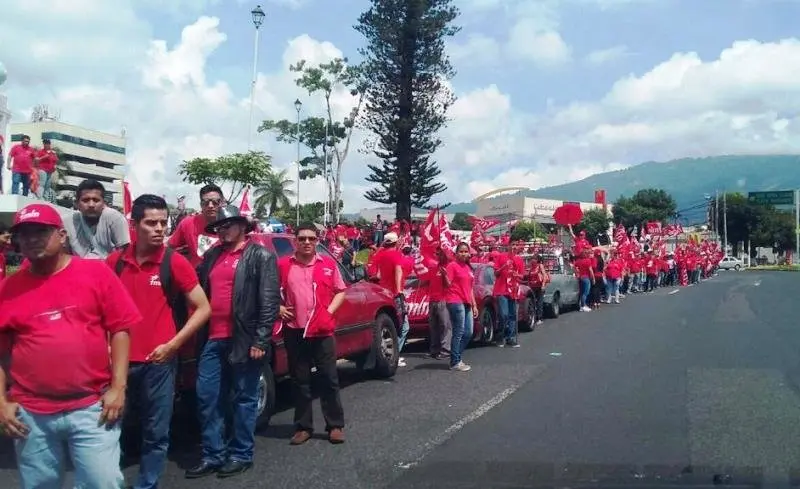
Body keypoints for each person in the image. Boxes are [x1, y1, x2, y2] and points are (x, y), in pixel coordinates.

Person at [0, 203, 141, 488]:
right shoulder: (8, 288)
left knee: (104, 483)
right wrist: (1, 401)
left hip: (91, 407)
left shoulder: (95, 273)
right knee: (40, 485)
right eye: (23, 234)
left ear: (62, 235)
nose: (30, 239)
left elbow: (120, 329)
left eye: (40, 231)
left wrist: (118, 388)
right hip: (31, 412)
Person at [107, 195, 211, 489]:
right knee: (108, 429)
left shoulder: (174, 262)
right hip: (118, 363)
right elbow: (99, 309)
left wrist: (173, 345)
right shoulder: (114, 262)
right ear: (133, 224)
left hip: (159, 362)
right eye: (151, 223)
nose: (159, 229)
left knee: (156, 431)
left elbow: (203, 308)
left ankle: (146, 485)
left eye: (163, 223)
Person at [186, 205, 280, 479]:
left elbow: (269, 301)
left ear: (241, 226)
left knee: (244, 398)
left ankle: (241, 454)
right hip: (213, 338)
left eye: (227, 225)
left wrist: (261, 340)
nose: (222, 230)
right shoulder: (213, 256)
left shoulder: (260, 256)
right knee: (207, 397)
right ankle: (213, 453)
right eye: (219, 227)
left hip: (244, 339)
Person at [278, 223, 347, 445]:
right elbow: (271, 291)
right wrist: (278, 308)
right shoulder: (283, 265)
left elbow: (341, 291)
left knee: (329, 378)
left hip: (322, 330)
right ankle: (303, 426)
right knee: (300, 380)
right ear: (295, 241)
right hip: (295, 330)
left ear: (317, 241)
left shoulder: (327, 264)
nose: (307, 242)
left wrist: (328, 312)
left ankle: (334, 425)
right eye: (302, 238)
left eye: (311, 238)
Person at [65, 179, 131, 259]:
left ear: (104, 203)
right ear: (76, 204)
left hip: (108, 269)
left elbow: (125, 254)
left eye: (96, 200)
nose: (91, 205)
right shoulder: (68, 222)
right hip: (79, 268)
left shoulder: (114, 218)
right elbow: (65, 256)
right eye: (85, 200)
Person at [374, 232, 410, 367]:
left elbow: (376, 274)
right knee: (404, 326)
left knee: (390, 325)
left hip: (382, 293)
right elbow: (398, 272)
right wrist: (399, 290)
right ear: (396, 243)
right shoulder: (396, 255)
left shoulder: (379, 255)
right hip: (394, 294)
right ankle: (395, 354)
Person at [168, 184, 225, 267]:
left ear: (222, 203)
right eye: (206, 202)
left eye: (215, 202)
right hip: (195, 277)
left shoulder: (233, 224)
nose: (210, 206)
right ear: (201, 204)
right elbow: (169, 246)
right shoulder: (187, 223)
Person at [444, 242, 478, 372]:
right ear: (456, 253)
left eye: (466, 251)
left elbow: (470, 289)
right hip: (455, 300)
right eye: (461, 251)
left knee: (468, 332)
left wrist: (474, 305)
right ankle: (455, 361)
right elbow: (448, 284)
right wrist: (444, 275)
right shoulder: (452, 266)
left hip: (467, 302)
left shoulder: (468, 268)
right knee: (459, 331)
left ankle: (456, 356)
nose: (464, 254)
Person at [423, 248, 451, 359]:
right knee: (433, 326)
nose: (436, 255)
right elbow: (427, 281)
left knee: (445, 325)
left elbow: (449, 285)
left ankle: (445, 350)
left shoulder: (448, 267)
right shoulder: (433, 267)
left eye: (438, 254)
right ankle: (434, 350)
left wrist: (445, 275)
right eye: (435, 253)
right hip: (432, 300)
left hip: (443, 300)